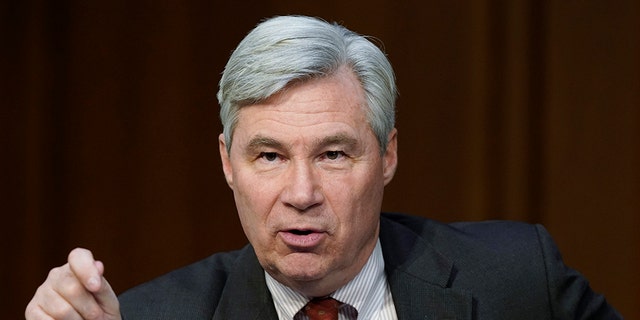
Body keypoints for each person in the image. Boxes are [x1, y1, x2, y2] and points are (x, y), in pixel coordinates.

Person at [25, 15, 621, 320]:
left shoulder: (516, 281)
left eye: (333, 154)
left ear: (386, 157)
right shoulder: (148, 319)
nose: (301, 193)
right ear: (227, 163)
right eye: (269, 156)